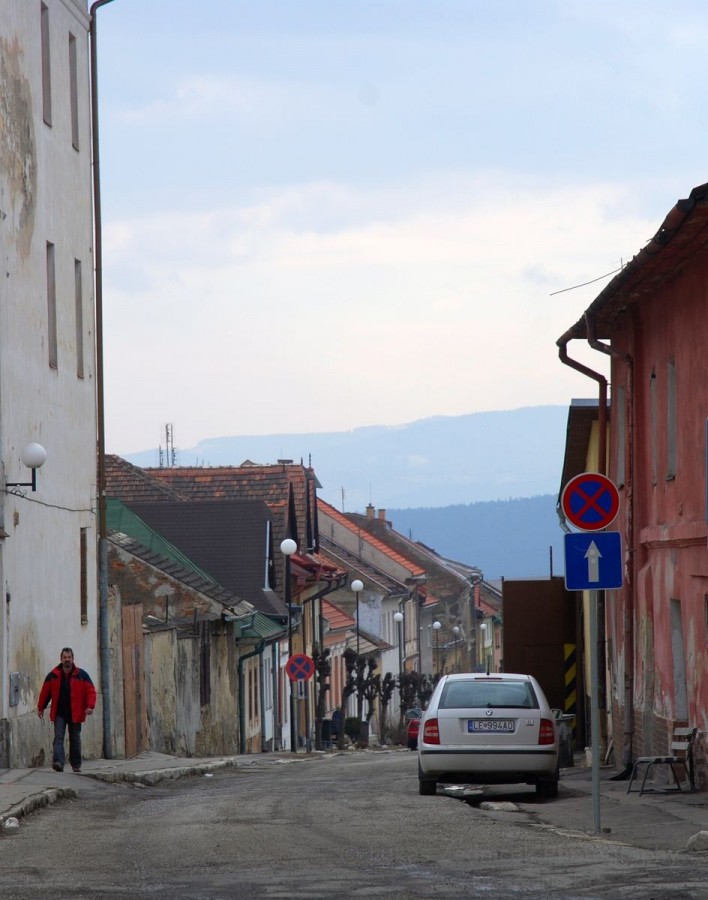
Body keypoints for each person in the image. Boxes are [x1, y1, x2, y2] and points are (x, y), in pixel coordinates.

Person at [37, 647, 96, 773]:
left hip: (76, 712)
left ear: (73, 659)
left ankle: (76, 765)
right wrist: (41, 707)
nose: (67, 660)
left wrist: (90, 706)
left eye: (69, 657)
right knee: (59, 737)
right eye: (64, 657)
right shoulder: (53, 675)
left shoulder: (82, 675)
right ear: (61, 659)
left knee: (75, 738)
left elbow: (90, 691)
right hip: (59, 713)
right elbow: (45, 693)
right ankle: (58, 762)